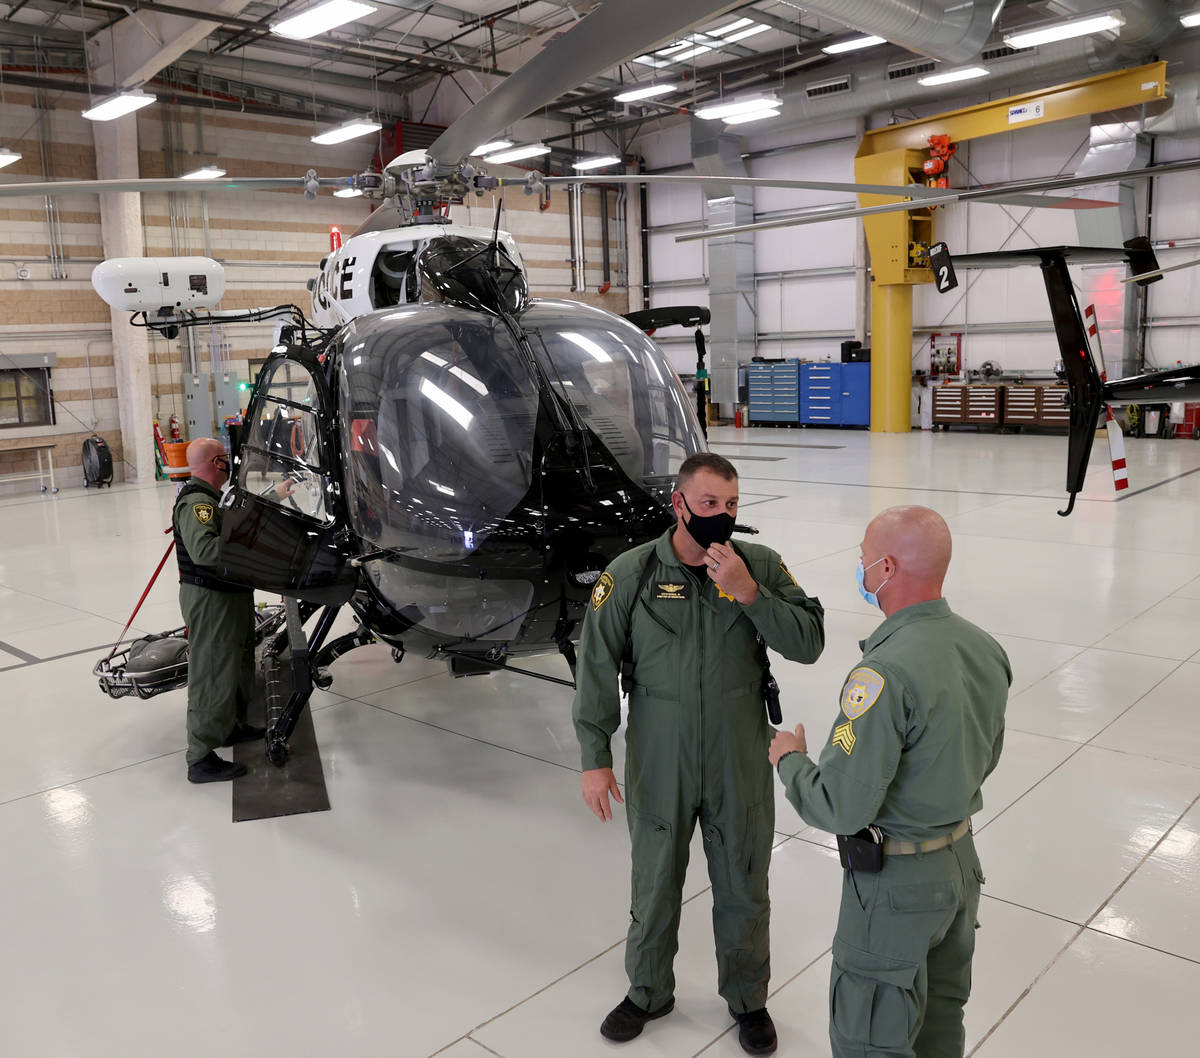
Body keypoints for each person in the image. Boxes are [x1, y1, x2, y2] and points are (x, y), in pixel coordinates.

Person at [573, 452, 825, 1056]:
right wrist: (594, 756)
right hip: (661, 752)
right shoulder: (631, 574)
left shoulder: (758, 566)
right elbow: (596, 666)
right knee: (655, 876)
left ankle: (747, 999)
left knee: (743, 876)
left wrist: (748, 594)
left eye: (732, 505)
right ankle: (648, 990)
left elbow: (809, 642)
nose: (722, 517)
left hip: (738, 753)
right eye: (709, 504)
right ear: (679, 504)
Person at [768, 506, 1009, 1058]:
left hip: (896, 885)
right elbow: (985, 757)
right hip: (958, 866)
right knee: (941, 1019)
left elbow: (839, 806)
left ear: (888, 567)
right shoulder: (982, 648)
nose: (860, 569)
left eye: (863, 560)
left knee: (870, 1035)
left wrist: (792, 761)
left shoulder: (882, 674)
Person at [173, 437, 266, 783]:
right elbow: (205, 552)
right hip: (211, 599)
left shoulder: (213, 500)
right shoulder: (199, 504)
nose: (229, 463)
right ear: (215, 463)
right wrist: (248, 543)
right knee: (213, 670)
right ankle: (200, 757)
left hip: (228, 595)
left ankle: (228, 727)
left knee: (235, 662)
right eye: (225, 458)